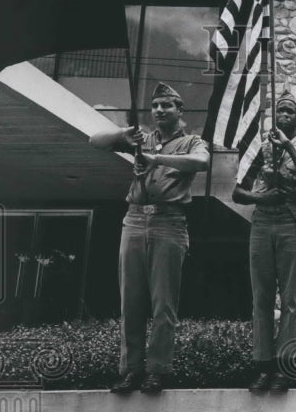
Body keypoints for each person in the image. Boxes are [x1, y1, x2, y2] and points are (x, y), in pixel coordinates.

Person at [90, 82, 210, 395]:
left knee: (163, 303)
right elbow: (94, 140)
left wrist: (157, 159)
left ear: (180, 110)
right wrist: (122, 136)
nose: (159, 110)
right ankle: (131, 371)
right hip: (134, 218)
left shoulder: (192, 141)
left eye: (166, 105)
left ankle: (157, 371)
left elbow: (202, 162)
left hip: (169, 222)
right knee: (131, 300)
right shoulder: (142, 137)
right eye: (155, 105)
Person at [233, 93, 296, 393]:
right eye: (279, 111)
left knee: (290, 300)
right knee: (261, 298)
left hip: (289, 220)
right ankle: (263, 366)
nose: (282, 115)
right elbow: (238, 193)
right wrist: (261, 196)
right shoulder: (262, 149)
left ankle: (284, 367)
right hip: (262, 221)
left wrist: (288, 148)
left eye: (289, 111)